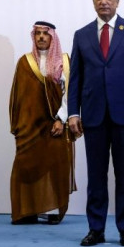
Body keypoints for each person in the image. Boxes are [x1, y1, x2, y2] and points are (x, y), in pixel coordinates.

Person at [68, 0, 124, 247]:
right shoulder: (81, 34)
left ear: (117, 1)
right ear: (93, 2)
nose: (104, 1)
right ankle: (96, 229)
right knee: (95, 176)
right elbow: (76, 79)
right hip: (93, 116)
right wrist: (72, 113)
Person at [8, 21, 76, 225]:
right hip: (29, 125)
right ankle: (27, 211)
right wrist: (19, 124)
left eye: (45, 34)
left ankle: (54, 210)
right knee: (27, 166)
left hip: (55, 125)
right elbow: (18, 96)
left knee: (55, 167)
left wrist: (60, 120)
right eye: (37, 34)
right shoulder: (25, 62)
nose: (41, 37)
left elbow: (69, 94)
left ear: (53, 37)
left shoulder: (64, 61)